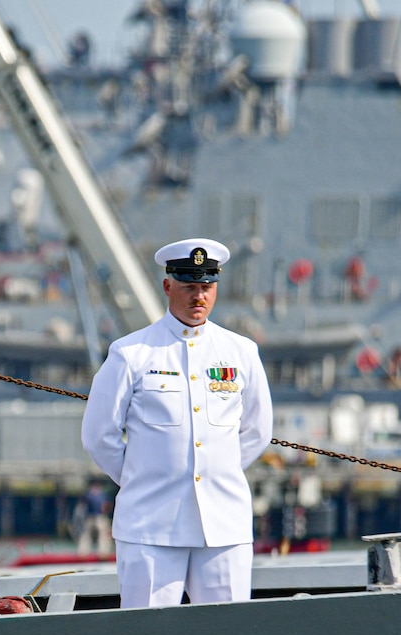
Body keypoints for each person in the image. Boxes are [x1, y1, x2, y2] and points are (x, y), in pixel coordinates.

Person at [81, 237, 274, 607]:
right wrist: (144, 477)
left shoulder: (241, 352)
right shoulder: (131, 353)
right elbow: (98, 435)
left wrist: (217, 469)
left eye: (206, 287)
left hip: (223, 524)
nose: (198, 297)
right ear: (168, 286)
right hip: (150, 523)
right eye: (189, 287)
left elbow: (257, 430)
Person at [73, 480, 113, 556]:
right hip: (90, 517)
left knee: (104, 534)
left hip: (100, 517)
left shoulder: (103, 495)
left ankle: (104, 553)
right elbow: (81, 508)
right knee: (86, 535)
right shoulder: (88, 495)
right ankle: (83, 553)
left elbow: (107, 506)